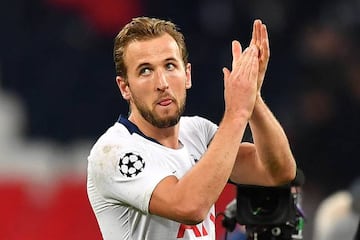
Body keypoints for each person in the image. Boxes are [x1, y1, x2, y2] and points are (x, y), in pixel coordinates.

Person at [86, 16, 297, 240]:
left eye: (169, 66)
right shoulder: (112, 154)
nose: (162, 83)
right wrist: (237, 113)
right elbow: (189, 207)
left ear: (187, 75)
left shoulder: (198, 132)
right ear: (125, 87)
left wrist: (252, 98)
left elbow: (278, 172)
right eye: (145, 71)